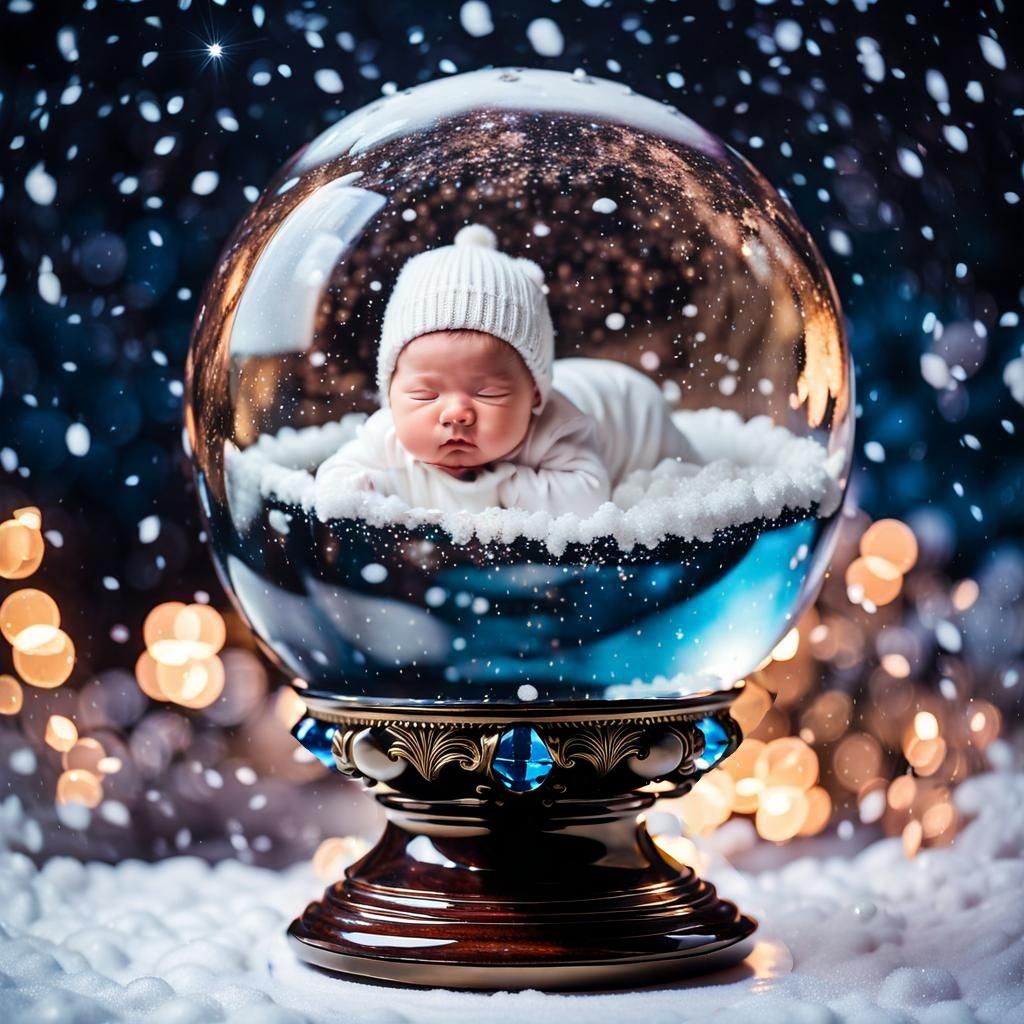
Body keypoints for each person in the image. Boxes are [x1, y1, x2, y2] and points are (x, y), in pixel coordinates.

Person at [314, 224, 695, 516]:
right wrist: (361, 488)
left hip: (632, 408)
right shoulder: (391, 430)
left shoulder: (557, 427)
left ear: (534, 396)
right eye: (424, 394)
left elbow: (587, 498)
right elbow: (334, 478)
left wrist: (488, 485)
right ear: (391, 393)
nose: (455, 414)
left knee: (682, 473)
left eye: (487, 393)